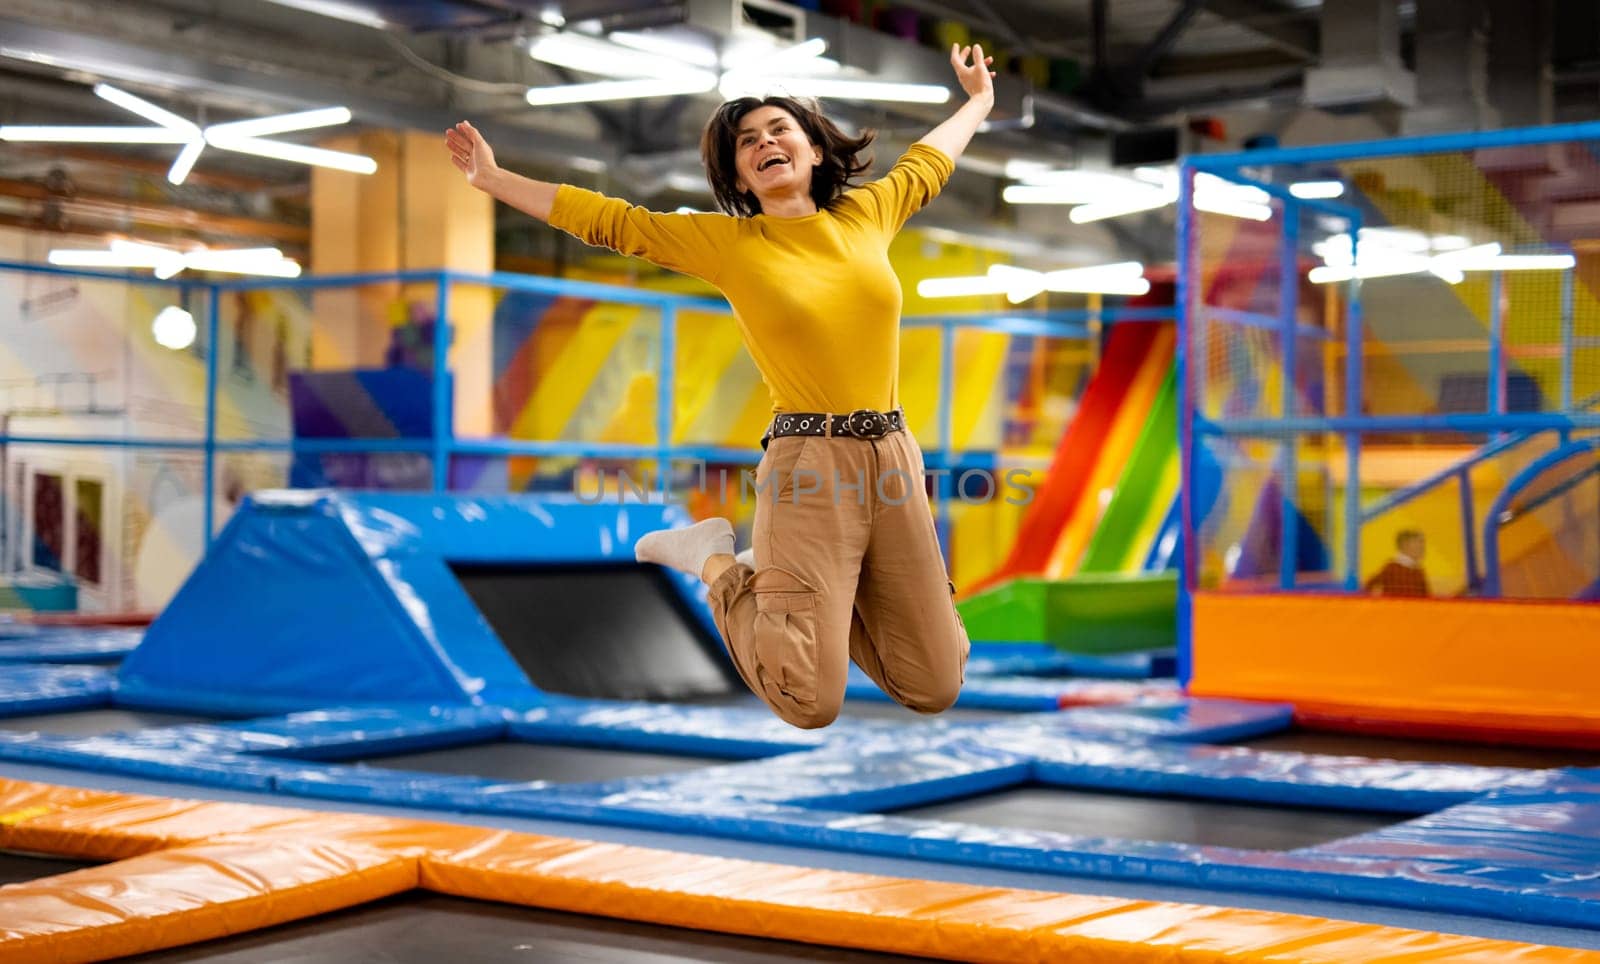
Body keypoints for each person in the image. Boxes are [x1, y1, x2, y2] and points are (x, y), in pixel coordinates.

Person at [445, 44, 995, 728]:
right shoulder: (732, 245)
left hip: (892, 456)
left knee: (935, 682)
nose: (764, 142)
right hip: (810, 466)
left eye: (778, 130)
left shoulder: (866, 218)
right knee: (808, 700)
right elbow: (612, 221)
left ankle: (810, 581)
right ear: (739, 173)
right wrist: (494, 179)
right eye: (746, 142)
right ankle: (713, 561)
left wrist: (977, 102)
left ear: (814, 151)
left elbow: (927, 162)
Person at [1365, 529, 1429, 597]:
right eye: (1418, 542)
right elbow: (1369, 586)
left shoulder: (1419, 571)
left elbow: (1426, 597)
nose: (1422, 547)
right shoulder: (1392, 568)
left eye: (1422, 543)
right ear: (1405, 545)